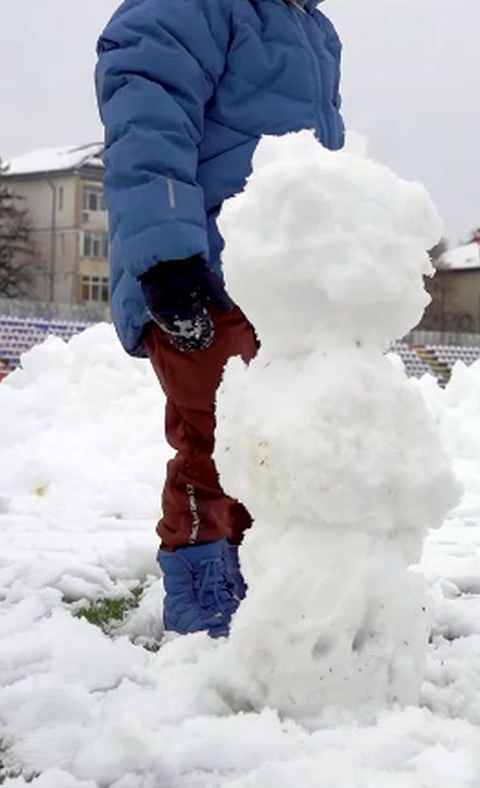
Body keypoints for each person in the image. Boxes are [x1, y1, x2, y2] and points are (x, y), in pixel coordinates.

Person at [95, 0, 345, 637]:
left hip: (285, 281)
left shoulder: (312, 29)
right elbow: (148, 117)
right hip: (200, 271)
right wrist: (168, 255)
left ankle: (263, 577)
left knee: (276, 442)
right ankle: (200, 581)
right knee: (217, 438)